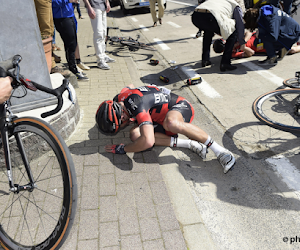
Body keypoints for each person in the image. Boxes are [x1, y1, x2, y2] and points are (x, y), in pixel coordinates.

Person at [95, 84, 236, 173]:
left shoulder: (138, 106)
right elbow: (129, 86)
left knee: (170, 124)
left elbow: (148, 142)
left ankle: (222, 152)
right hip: (159, 118)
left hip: (179, 107)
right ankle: (190, 144)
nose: (123, 126)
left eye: (121, 125)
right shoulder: (121, 98)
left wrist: (123, 149)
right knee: (135, 136)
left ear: (123, 117)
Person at [191, 0, 246, 72]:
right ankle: (225, 62)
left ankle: (205, 60)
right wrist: (242, 42)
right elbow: (240, 25)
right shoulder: (236, 6)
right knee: (233, 33)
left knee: (208, 32)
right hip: (210, 16)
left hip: (196, 16)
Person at [52, 0, 89, 80]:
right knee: (70, 45)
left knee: (73, 43)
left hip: (70, 15)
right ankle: (73, 71)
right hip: (61, 18)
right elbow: (53, 2)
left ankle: (75, 67)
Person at [82, 0, 116, 70]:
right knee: (98, 34)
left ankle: (103, 55)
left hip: (102, 5)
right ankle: (100, 60)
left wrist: (107, 2)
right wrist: (89, 7)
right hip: (94, 6)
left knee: (104, 33)